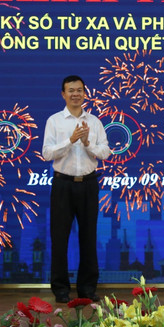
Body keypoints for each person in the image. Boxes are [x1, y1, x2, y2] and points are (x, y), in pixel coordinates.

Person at [42, 76, 110, 303]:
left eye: (79, 90)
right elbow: (47, 153)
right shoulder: (54, 121)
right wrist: (70, 140)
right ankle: (61, 289)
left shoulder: (95, 122)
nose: (75, 94)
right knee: (59, 238)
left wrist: (88, 143)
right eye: (71, 90)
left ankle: (87, 288)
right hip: (63, 184)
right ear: (63, 94)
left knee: (89, 237)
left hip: (89, 184)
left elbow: (105, 152)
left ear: (84, 93)